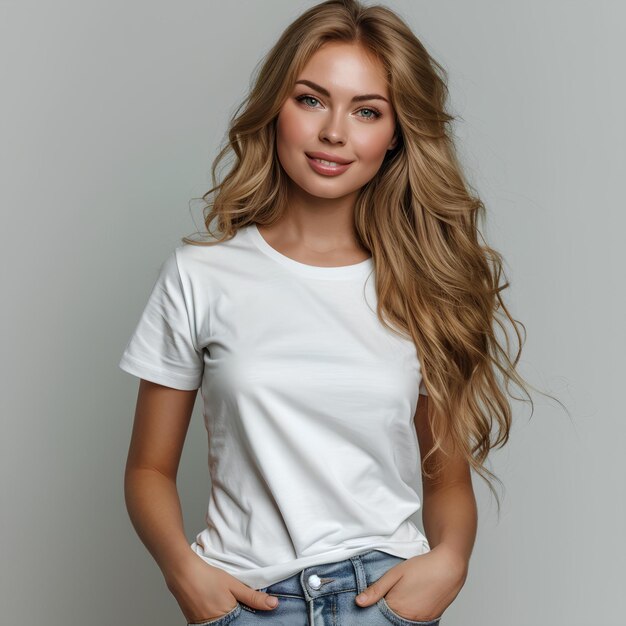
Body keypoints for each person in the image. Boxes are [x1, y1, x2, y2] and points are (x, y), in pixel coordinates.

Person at [119, 1, 532, 624]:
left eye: (366, 111)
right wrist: (186, 574)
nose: (334, 132)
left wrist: (450, 563)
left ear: (395, 135)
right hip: (248, 602)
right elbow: (149, 469)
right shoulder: (200, 274)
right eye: (311, 99)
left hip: (382, 601)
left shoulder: (422, 284)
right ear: (275, 108)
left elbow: (447, 482)